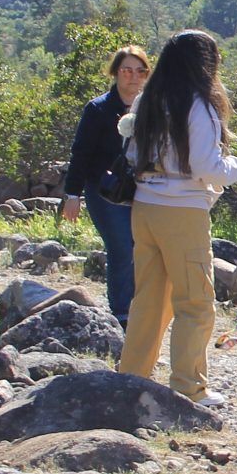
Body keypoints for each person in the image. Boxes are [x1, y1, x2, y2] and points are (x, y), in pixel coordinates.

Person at [116, 30, 237, 408]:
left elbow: (130, 154)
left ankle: (131, 379)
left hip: (145, 206)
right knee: (195, 302)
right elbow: (207, 167)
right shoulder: (199, 105)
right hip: (182, 210)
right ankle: (189, 387)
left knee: (149, 299)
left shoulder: (147, 99)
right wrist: (236, 167)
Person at [60, 44, 150, 324]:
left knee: (142, 248)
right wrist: (72, 193)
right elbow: (81, 152)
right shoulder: (98, 110)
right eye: (126, 70)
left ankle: (141, 310)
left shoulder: (152, 110)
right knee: (121, 247)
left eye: (140, 71)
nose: (133, 77)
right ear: (115, 73)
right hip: (106, 191)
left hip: (143, 190)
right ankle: (123, 316)